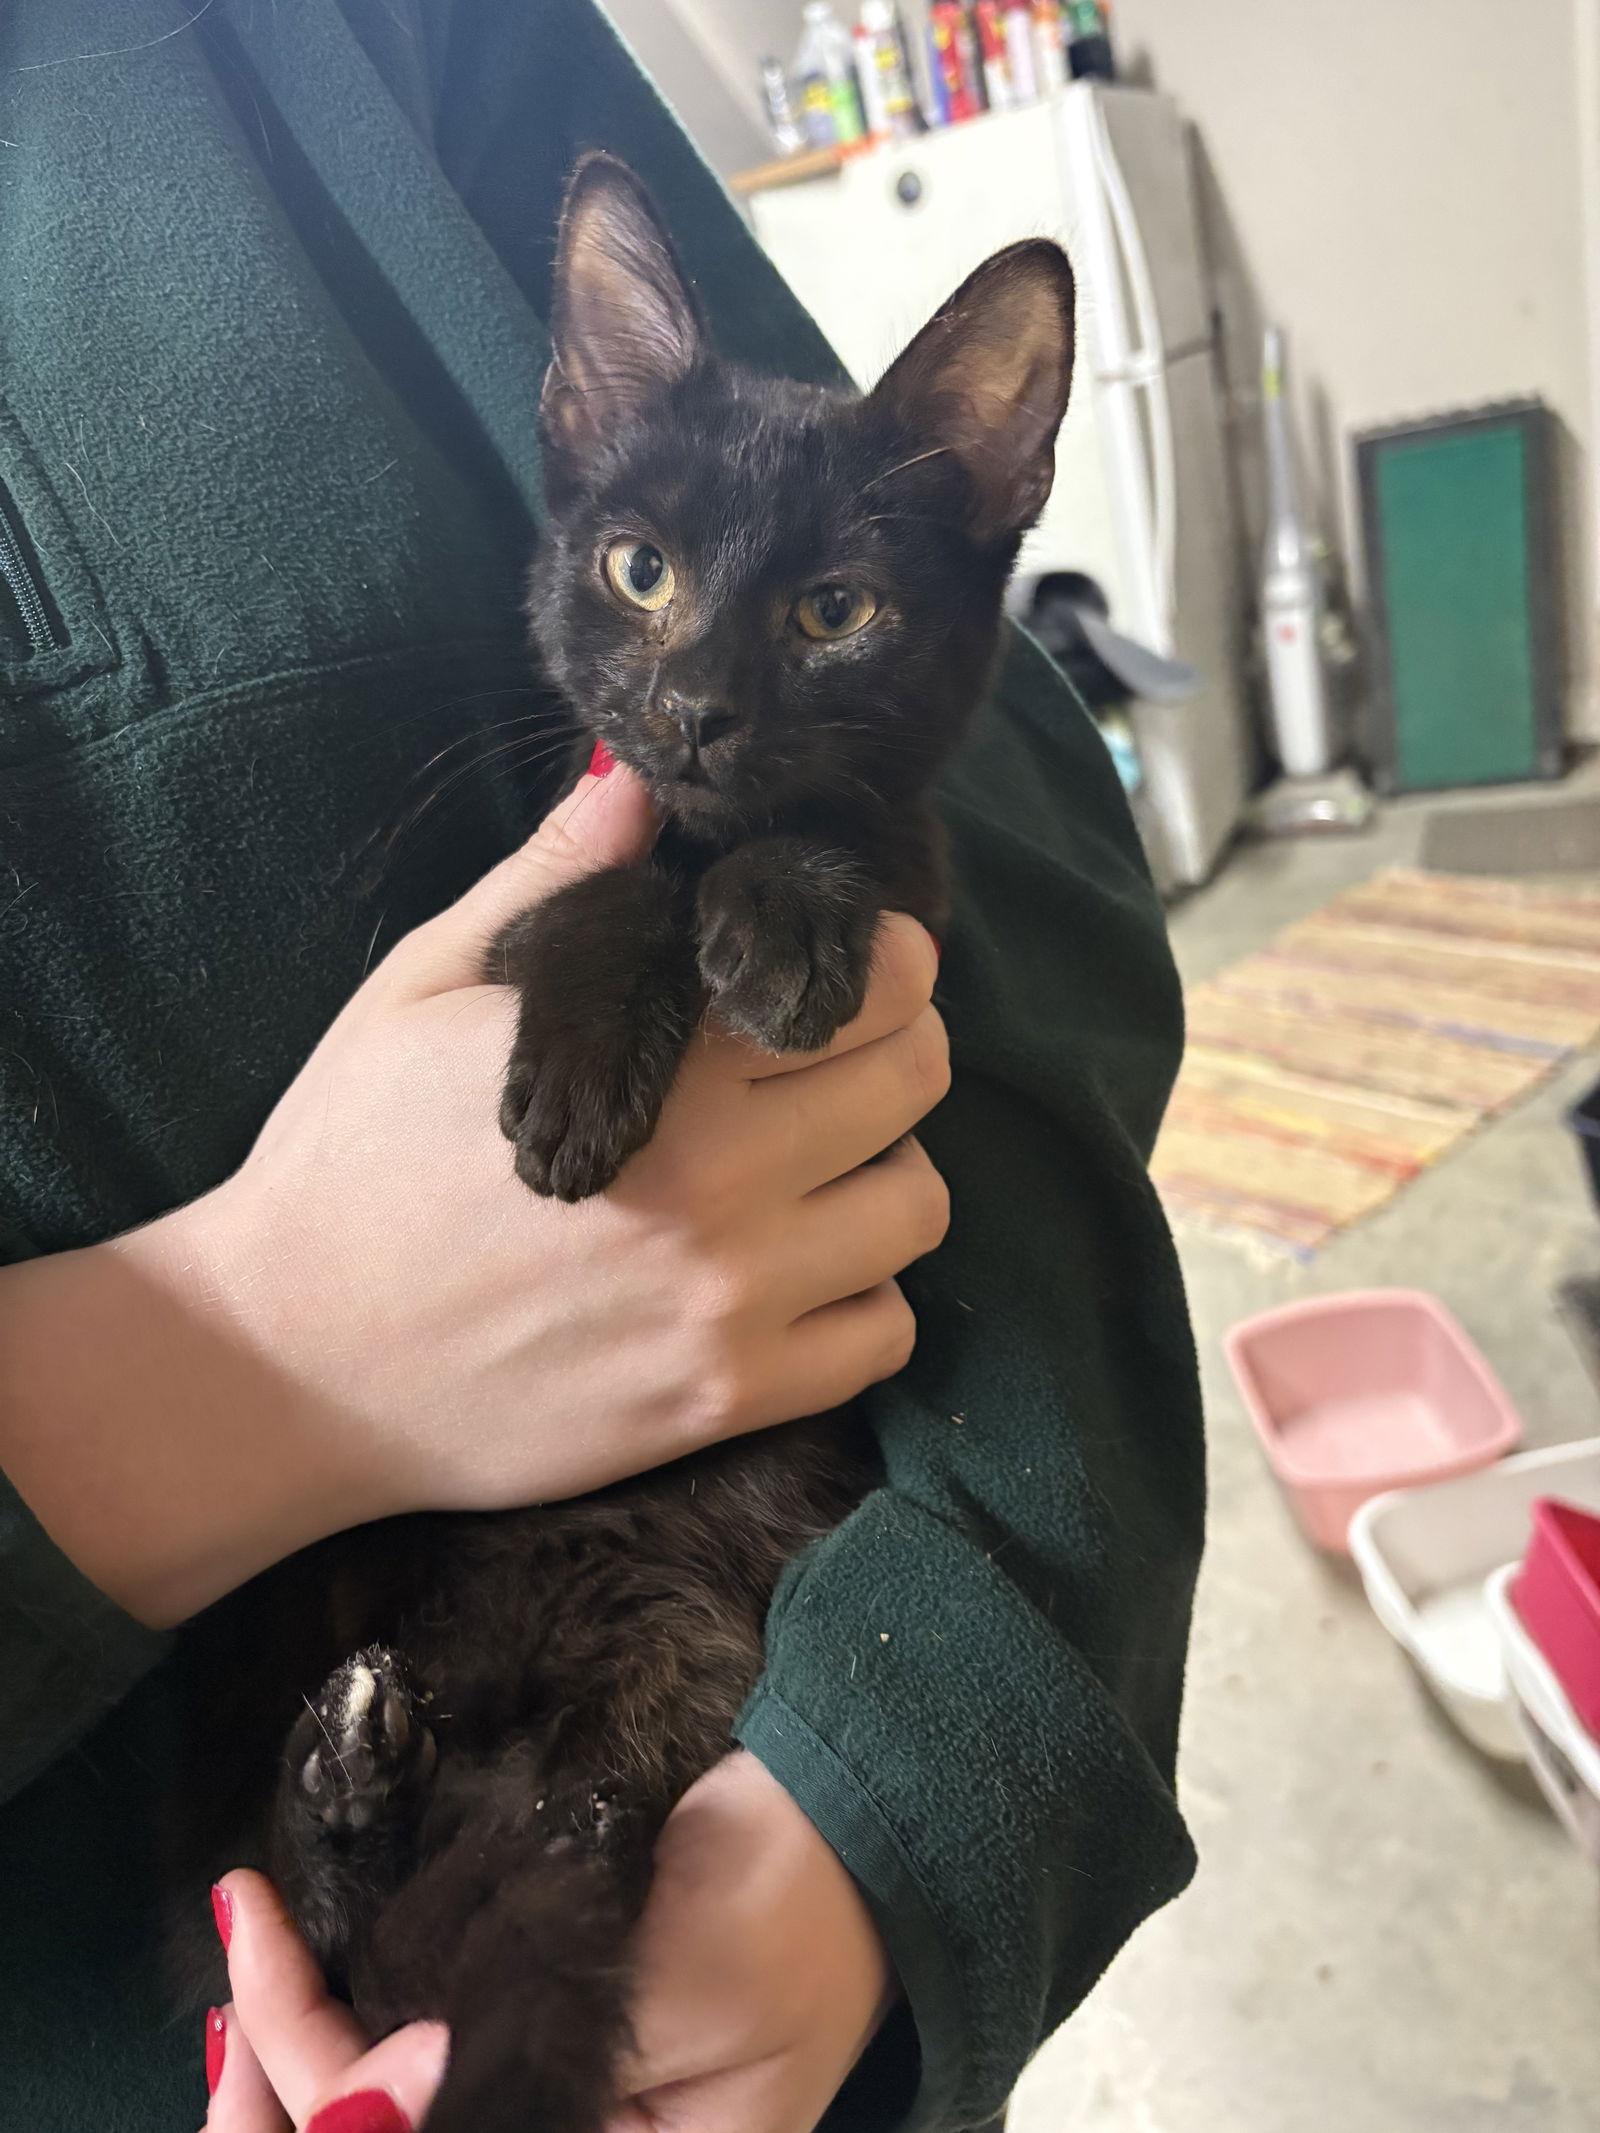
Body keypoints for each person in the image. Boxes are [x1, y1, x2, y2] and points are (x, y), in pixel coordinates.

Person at [0, 5, 1204, 2131]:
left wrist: (878, 1815)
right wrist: (251, 1352)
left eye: (813, 614)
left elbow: (1023, 826)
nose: (711, 691)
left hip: (719, 1830)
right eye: (643, 579)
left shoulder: (354, 46)